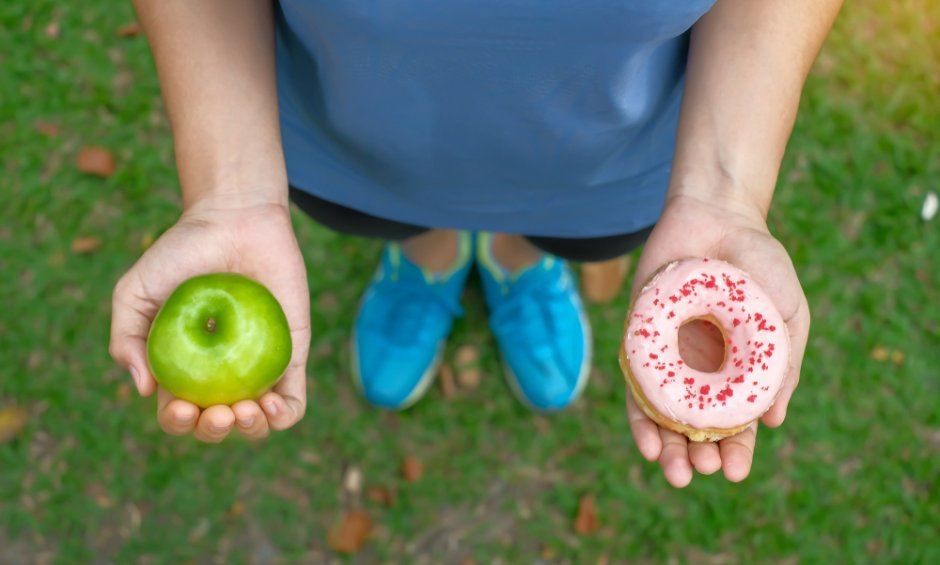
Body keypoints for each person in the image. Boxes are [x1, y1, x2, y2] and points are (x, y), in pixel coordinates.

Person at [109, 0, 839, 487]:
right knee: (395, 216)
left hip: (612, 158)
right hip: (354, 140)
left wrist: (722, 195)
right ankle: (425, 259)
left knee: (566, 233)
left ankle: (520, 261)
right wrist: (229, 187)